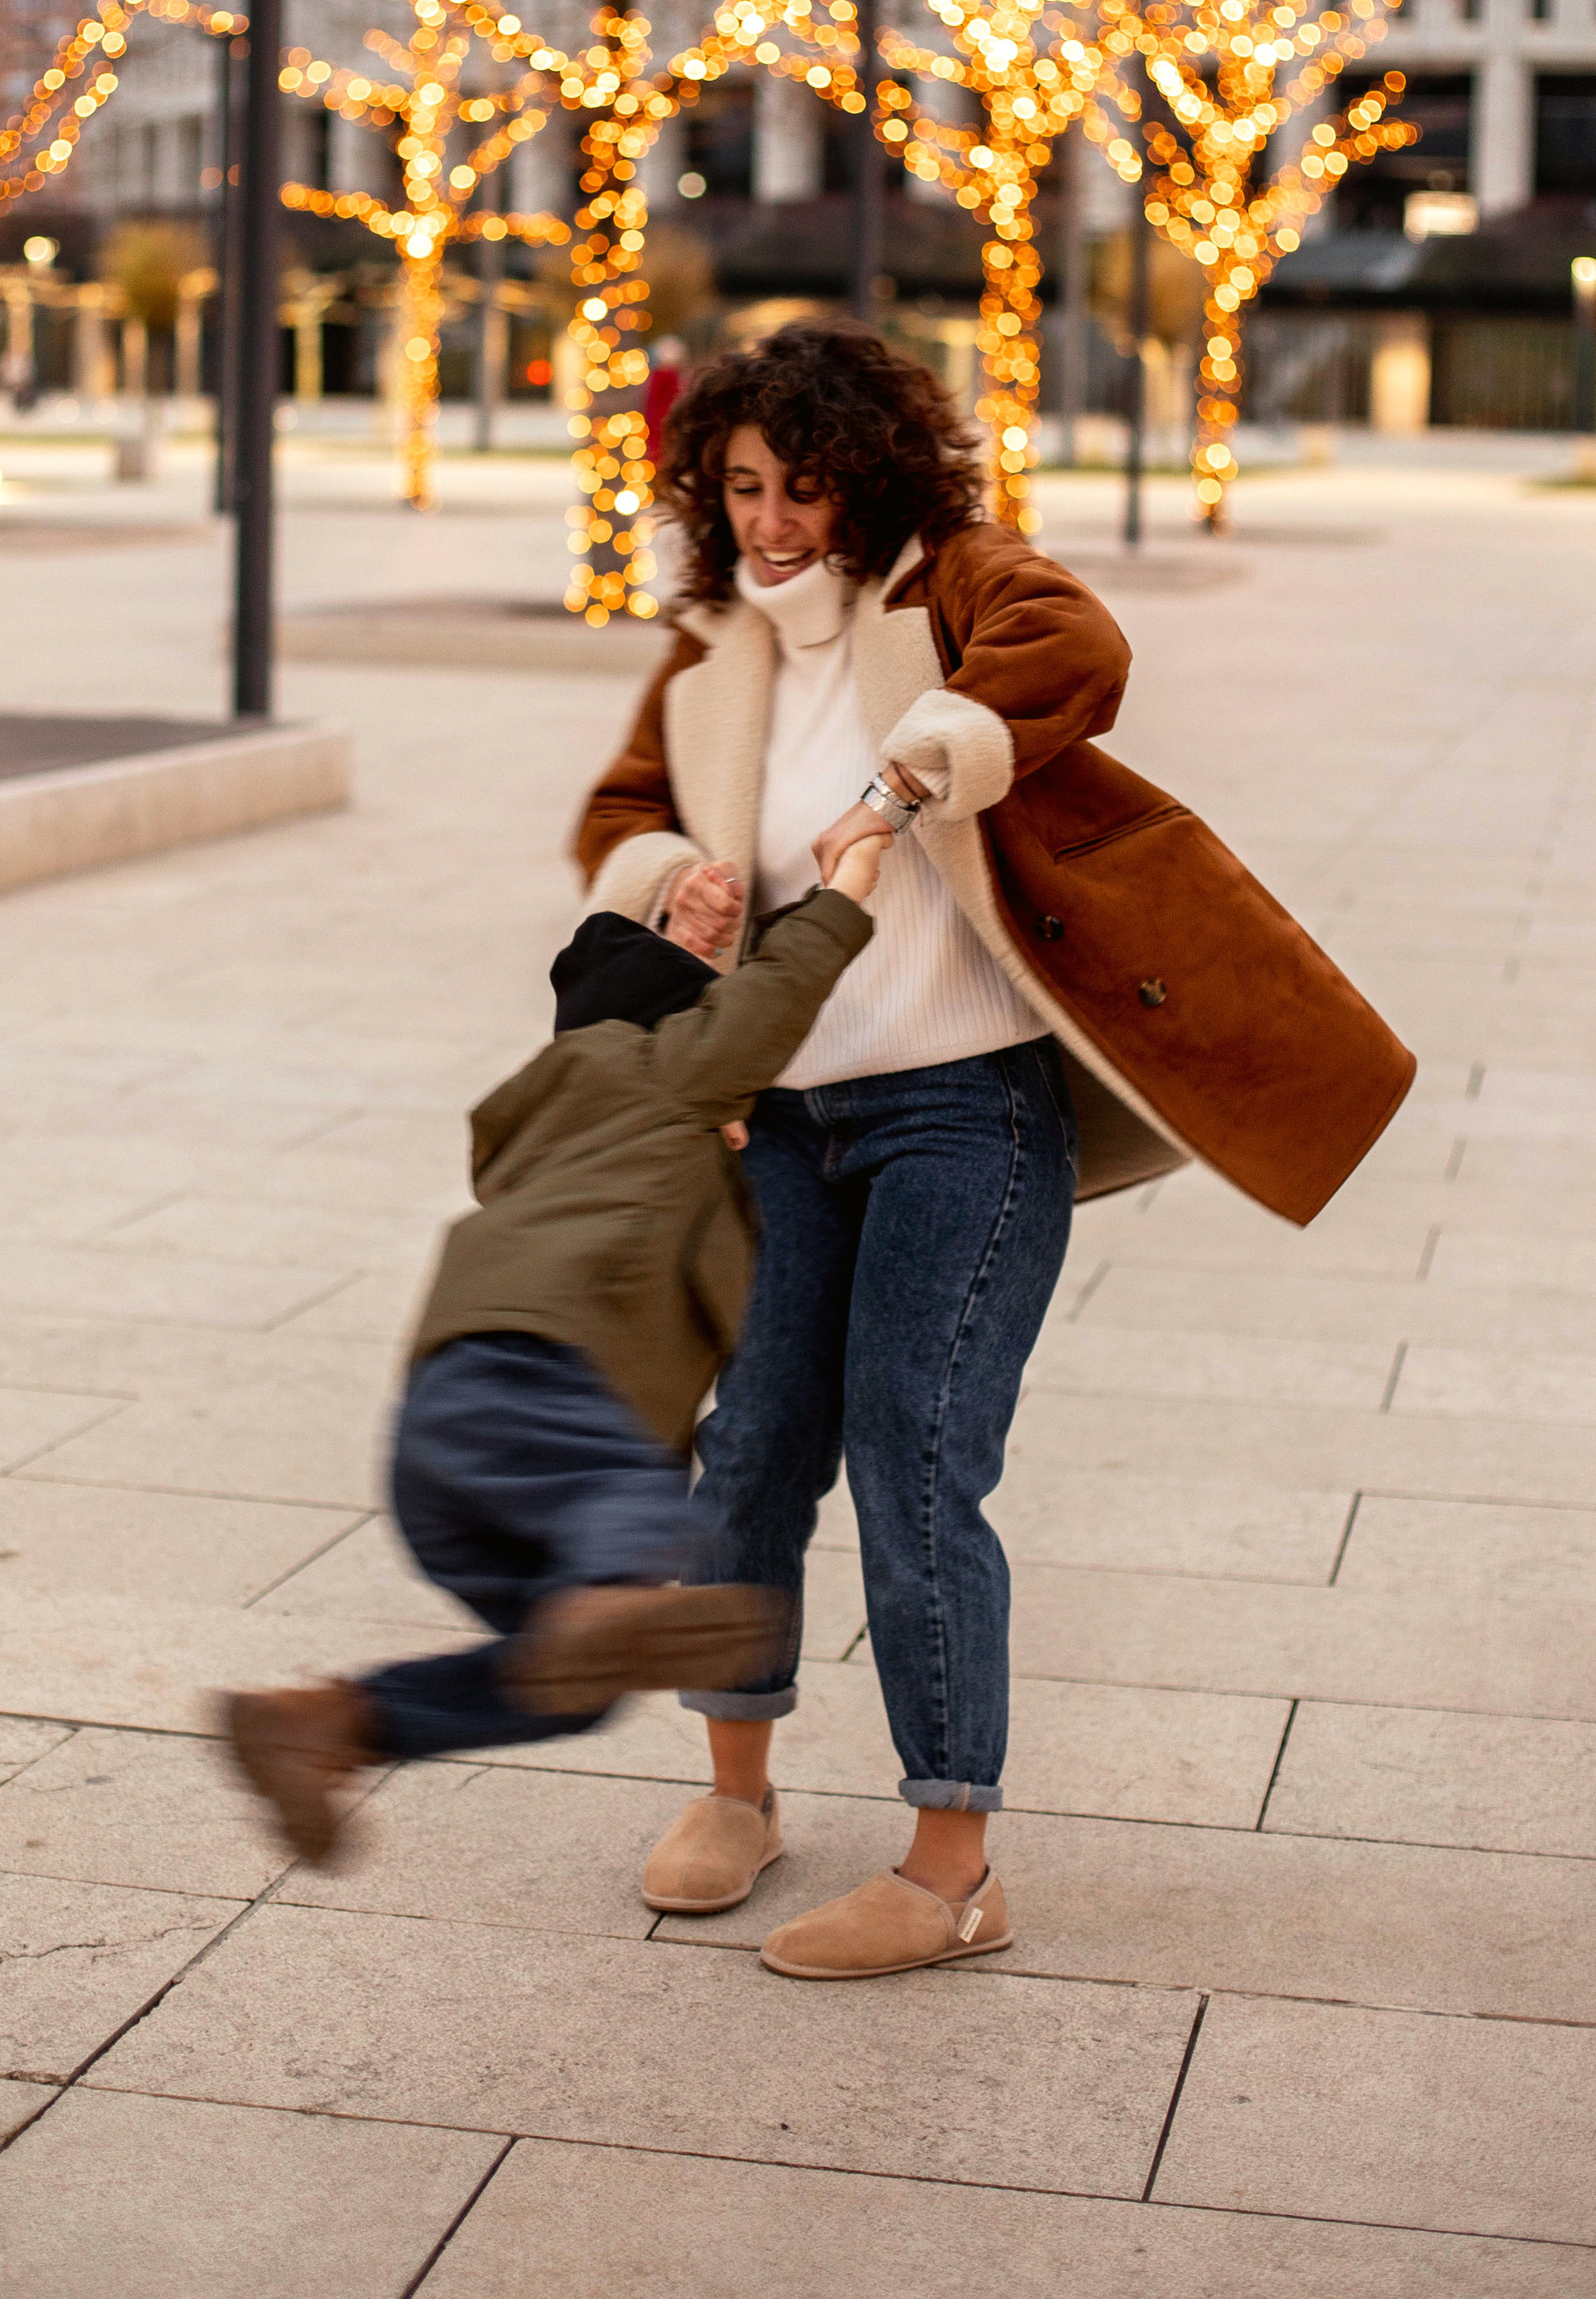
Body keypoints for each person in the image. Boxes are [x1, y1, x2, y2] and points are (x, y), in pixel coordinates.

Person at [575, 318, 1414, 1981]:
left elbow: (1073, 646)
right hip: (780, 1116)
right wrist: (672, 875)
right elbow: (620, 813)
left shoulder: (955, 583)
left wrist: (903, 783)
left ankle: (951, 1868)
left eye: (802, 485)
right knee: (753, 1448)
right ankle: (736, 1794)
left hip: (963, 1108)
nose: (770, 521)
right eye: (740, 486)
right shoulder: (712, 655)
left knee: (914, 1453)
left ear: (869, 477)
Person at [221, 837, 885, 1871]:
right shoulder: (666, 1074)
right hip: (548, 1396)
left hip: (444, 1444)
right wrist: (848, 886)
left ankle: (328, 1723)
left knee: (570, 1684)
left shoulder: (540, 1127)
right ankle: (610, 1585)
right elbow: (775, 997)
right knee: (641, 1527)